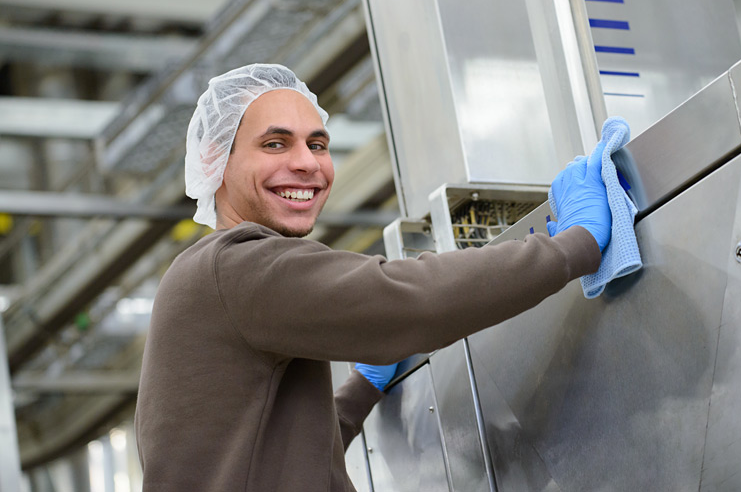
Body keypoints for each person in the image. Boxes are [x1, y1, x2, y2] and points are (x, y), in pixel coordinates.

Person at [134, 64, 610, 491]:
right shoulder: (236, 264)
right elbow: (417, 301)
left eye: (317, 144)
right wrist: (576, 245)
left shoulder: (207, 282)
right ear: (217, 159)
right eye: (275, 143)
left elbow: (273, 459)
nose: (306, 162)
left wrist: (361, 389)